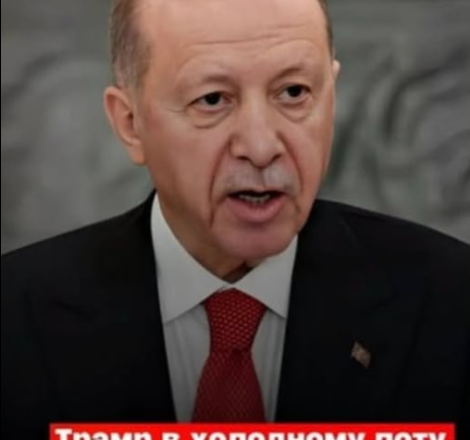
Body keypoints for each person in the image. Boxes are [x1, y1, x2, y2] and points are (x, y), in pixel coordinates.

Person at [2, 0, 469, 439]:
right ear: (130, 123)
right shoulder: (16, 319)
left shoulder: (452, 303)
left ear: (332, 96)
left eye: (293, 92)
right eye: (212, 100)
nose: (261, 147)